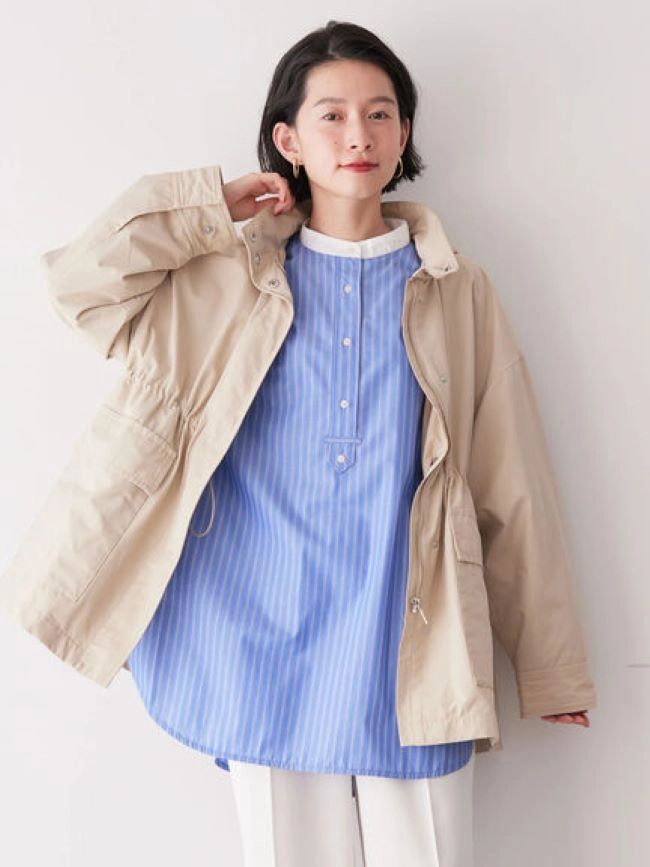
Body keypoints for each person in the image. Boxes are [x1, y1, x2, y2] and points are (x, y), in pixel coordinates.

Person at [0, 19, 596, 867]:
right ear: (288, 139)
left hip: (402, 636)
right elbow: (77, 285)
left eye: (381, 114)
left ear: (404, 134)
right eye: (333, 115)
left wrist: (550, 664)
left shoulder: (456, 288)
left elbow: (512, 482)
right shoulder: (228, 275)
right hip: (254, 636)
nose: (360, 136)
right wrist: (209, 211)